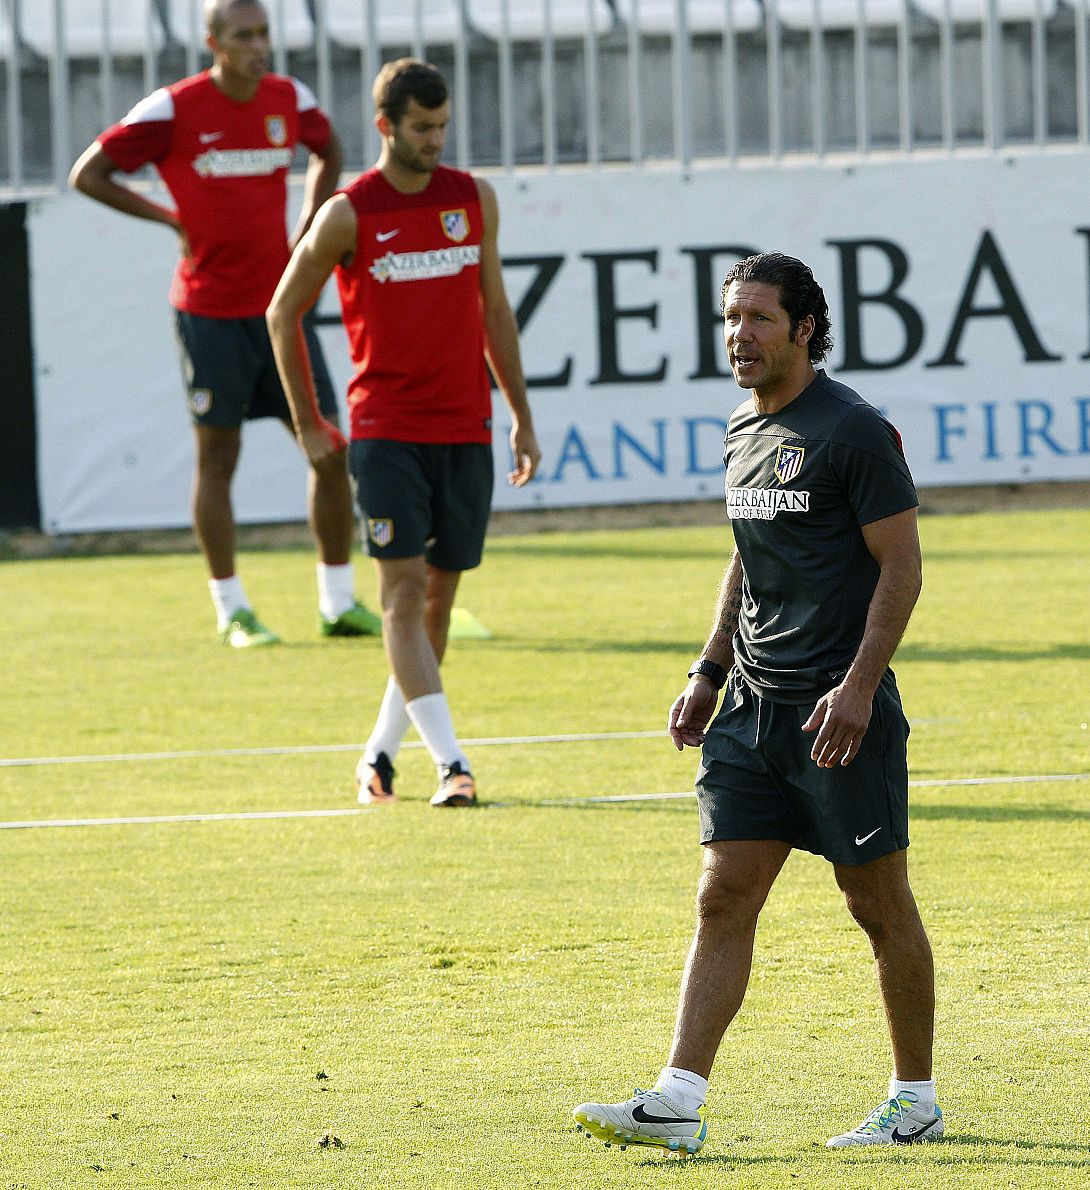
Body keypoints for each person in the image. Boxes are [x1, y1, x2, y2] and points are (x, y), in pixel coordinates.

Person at [572, 254, 941, 1155]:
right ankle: (678, 1098)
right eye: (731, 319)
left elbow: (903, 566)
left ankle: (916, 1099)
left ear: (805, 327)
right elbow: (748, 555)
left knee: (878, 906)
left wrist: (857, 689)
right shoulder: (743, 426)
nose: (740, 336)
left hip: (836, 716)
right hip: (749, 710)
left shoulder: (854, 432)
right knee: (722, 896)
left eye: (759, 319)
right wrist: (706, 669)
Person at [266, 59, 539, 807]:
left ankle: (379, 756)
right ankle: (453, 764)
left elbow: (495, 312)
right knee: (402, 592)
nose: (436, 139)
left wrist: (520, 413)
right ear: (386, 126)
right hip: (385, 430)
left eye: (443, 125)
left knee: (438, 604)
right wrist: (308, 423)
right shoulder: (349, 212)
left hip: (464, 426)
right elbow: (280, 311)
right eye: (422, 127)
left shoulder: (472, 199)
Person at [69, 0, 380, 648]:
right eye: (243, 35)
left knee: (327, 448)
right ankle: (232, 609)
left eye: (264, 32)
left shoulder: (287, 98)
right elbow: (87, 174)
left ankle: (338, 601)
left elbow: (330, 148)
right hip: (208, 313)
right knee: (219, 456)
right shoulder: (173, 109)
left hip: (279, 313)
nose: (258, 45)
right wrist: (170, 219)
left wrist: (310, 229)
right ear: (212, 41)